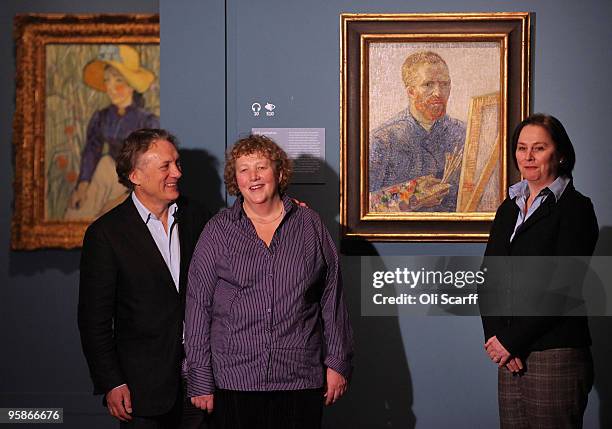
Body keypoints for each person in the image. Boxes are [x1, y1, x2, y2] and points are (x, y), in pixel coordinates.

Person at [184, 134, 353, 428]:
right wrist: (199, 376)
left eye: (261, 167)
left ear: (279, 171)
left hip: (298, 377)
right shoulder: (218, 230)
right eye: (244, 169)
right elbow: (198, 306)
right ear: (235, 179)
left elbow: (332, 298)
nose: (253, 177)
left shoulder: (309, 225)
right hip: (235, 378)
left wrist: (337, 362)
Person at [78, 129, 210, 428]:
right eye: (166, 166)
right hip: (143, 390)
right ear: (136, 175)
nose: (177, 172)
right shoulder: (106, 234)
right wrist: (111, 382)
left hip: (201, 384)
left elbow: (239, 240)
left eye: (177, 163)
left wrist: (283, 212)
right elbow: (93, 320)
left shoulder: (197, 216)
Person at [481, 113, 598, 428]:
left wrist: (512, 340)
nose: (528, 157)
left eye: (539, 148)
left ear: (560, 155)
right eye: (521, 148)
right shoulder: (509, 207)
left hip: (555, 353)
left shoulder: (576, 208)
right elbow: (488, 279)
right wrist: (498, 338)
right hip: (511, 354)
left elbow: (563, 289)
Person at [65, 45, 159, 220]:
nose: (111, 87)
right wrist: (83, 184)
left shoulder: (147, 121)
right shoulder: (101, 117)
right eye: (107, 81)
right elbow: (92, 150)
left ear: (132, 85)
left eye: (118, 81)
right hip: (107, 176)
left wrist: (127, 197)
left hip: (134, 185)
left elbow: (151, 166)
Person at [369, 51, 465, 211]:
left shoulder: (464, 134)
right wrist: (412, 195)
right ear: (411, 91)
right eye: (428, 85)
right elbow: (363, 204)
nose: (438, 93)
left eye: (444, 84)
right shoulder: (383, 140)